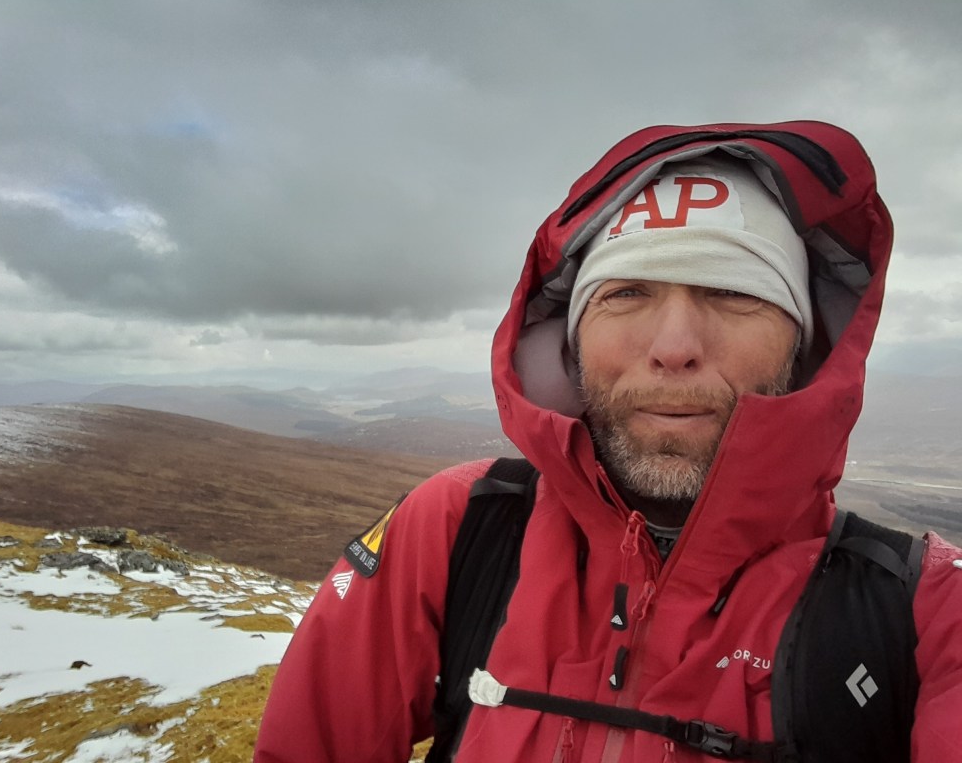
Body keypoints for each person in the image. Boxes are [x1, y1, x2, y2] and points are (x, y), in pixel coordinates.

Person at [254, 122, 962, 762]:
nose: (675, 346)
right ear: (569, 345)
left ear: (803, 346)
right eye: (626, 294)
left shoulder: (926, 613)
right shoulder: (453, 530)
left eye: (734, 294)